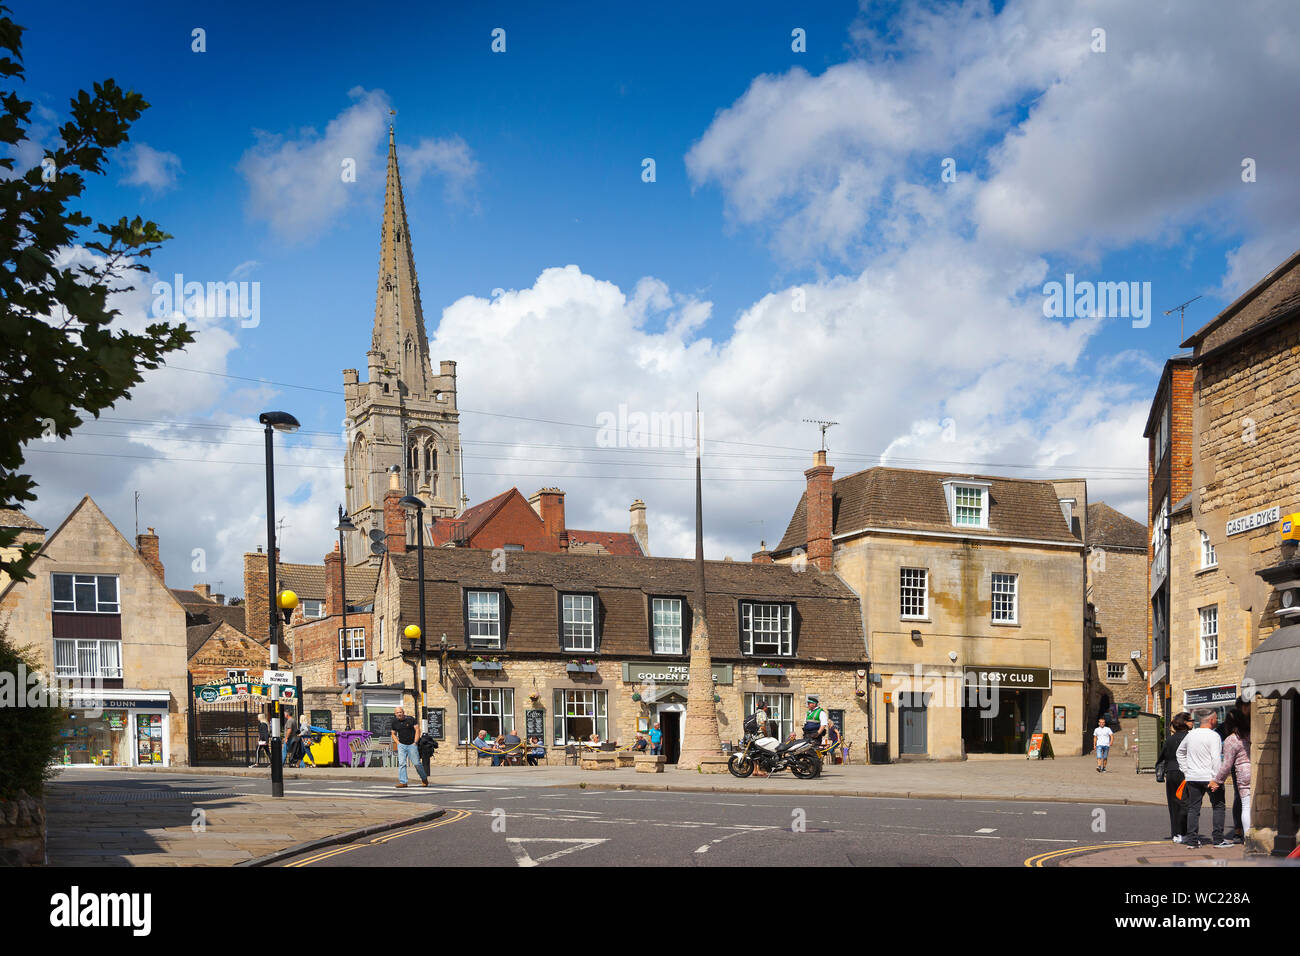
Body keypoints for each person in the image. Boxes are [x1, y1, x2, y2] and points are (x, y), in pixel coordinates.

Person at [1177, 708, 1225, 848]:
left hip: (1193, 777)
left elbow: (1180, 752)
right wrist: (1217, 779)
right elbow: (1216, 759)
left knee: (1193, 809)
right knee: (1218, 807)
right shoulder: (1214, 736)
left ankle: (1192, 841)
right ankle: (1218, 840)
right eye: (1216, 718)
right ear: (1211, 720)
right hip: (1210, 778)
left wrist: (1186, 771)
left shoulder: (1190, 735)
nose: (1216, 721)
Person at [1214, 709, 1251, 843]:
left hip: (1242, 773)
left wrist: (1217, 780)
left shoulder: (1231, 739)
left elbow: (1227, 765)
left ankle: (1248, 838)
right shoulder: (1251, 735)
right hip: (1257, 770)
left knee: (1245, 805)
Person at [1159, 712, 1192, 842]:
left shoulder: (1169, 739)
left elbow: (1162, 757)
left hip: (1171, 773)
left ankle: (1175, 834)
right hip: (1185, 772)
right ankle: (1184, 833)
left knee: (1173, 804)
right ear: (1184, 723)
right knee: (1186, 803)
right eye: (1190, 720)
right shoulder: (1190, 738)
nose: (1192, 722)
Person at [389, 706, 428, 788]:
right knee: (402, 764)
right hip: (402, 745)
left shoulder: (410, 719)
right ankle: (403, 782)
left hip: (411, 745)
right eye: (397, 713)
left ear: (403, 712)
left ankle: (424, 778)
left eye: (400, 712)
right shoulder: (394, 722)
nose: (399, 714)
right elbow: (393, 733)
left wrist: (415, 742)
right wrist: (398, 743)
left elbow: (417, 729)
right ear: (395, 714)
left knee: (417, 763)